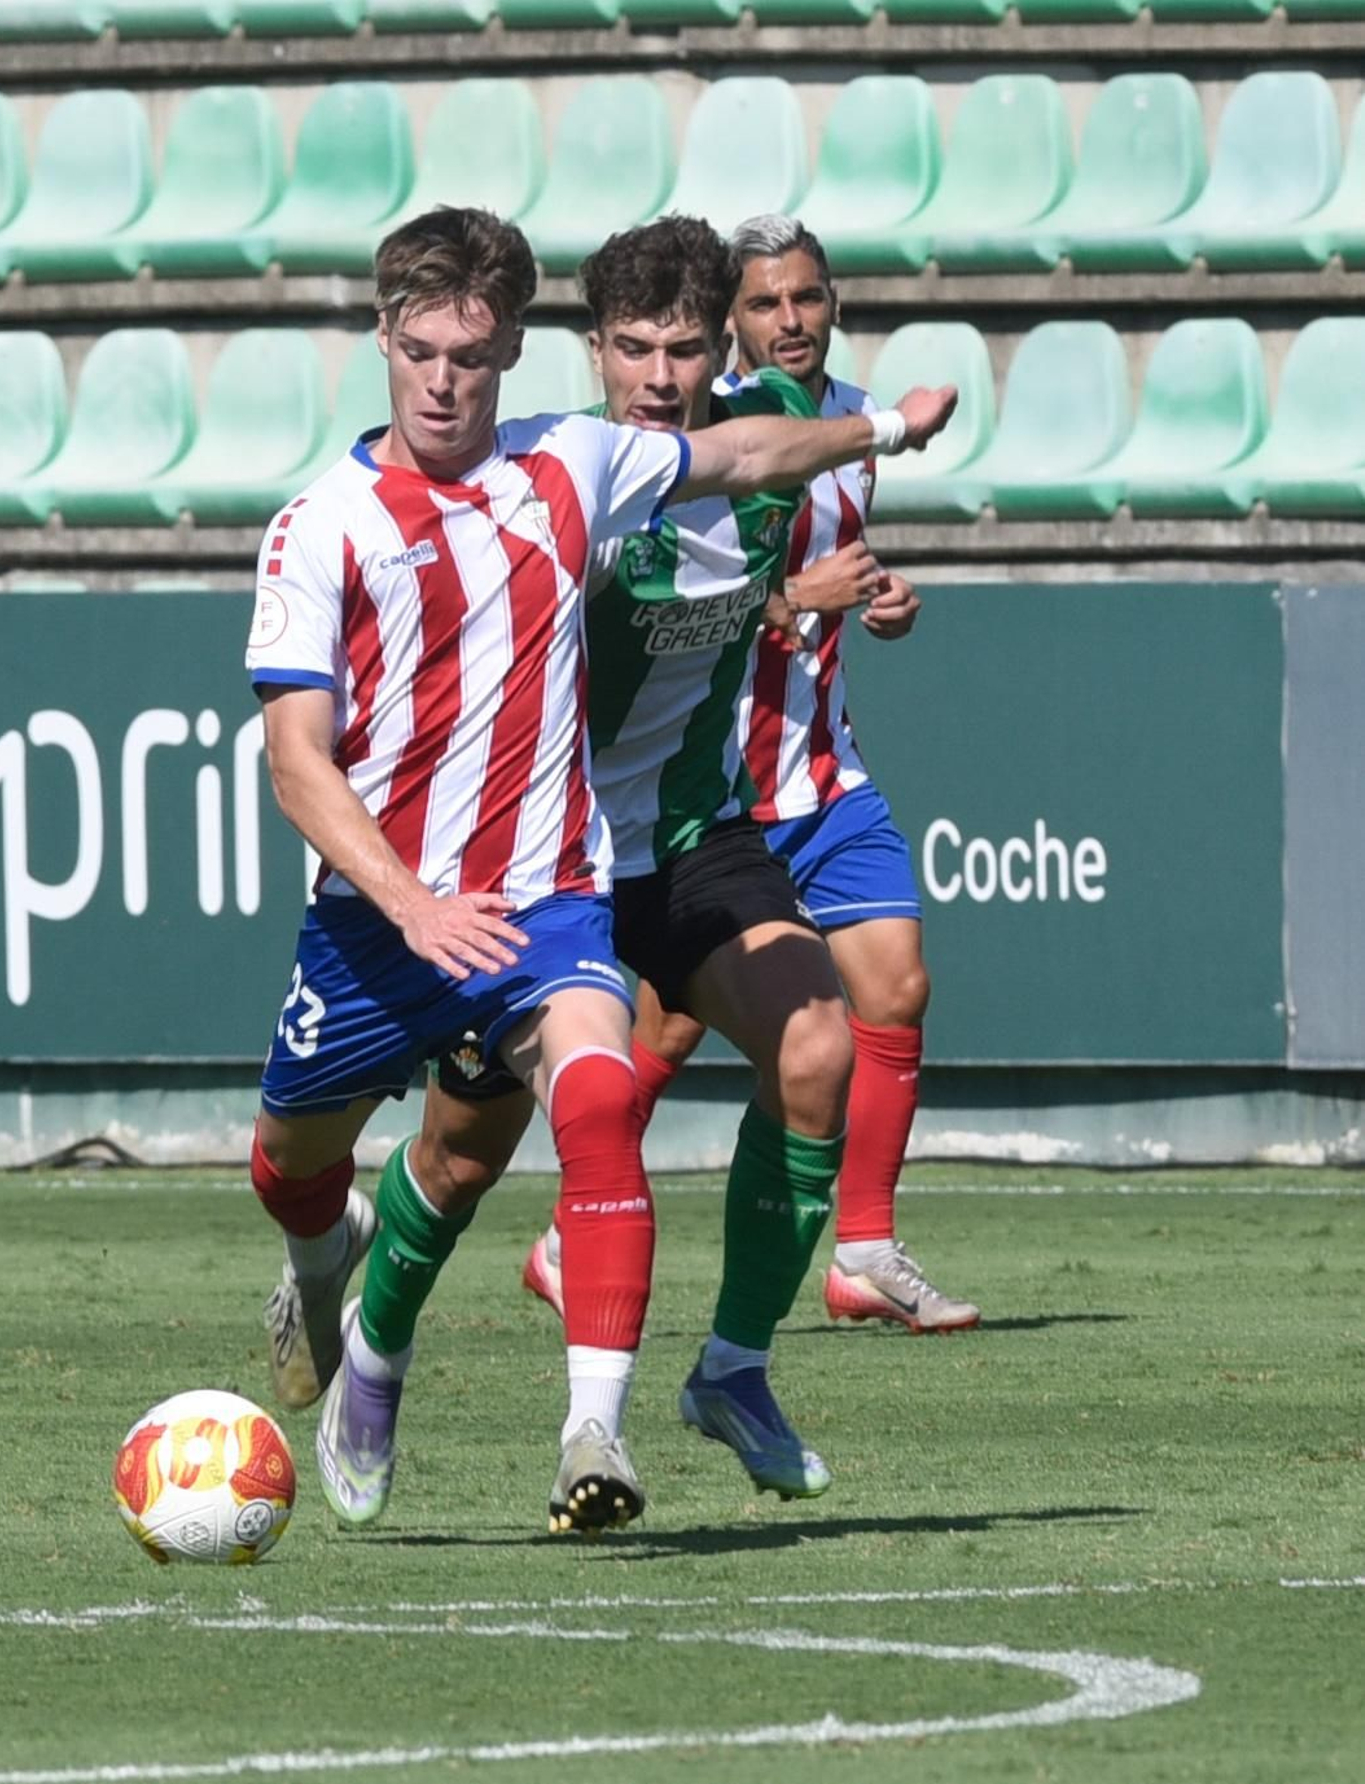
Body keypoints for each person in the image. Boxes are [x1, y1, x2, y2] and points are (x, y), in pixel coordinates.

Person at [246, 205, 957, 1537]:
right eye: (633, 348)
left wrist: (888, 454)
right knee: (450, 1167)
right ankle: (370, 1336)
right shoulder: (577, 483)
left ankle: (703, 1383)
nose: (660, 375)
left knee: (807, 1048)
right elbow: (612, 635)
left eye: (686, 348)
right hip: (514, 854)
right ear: (589, 354)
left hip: (662, 844)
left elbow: (767, 453)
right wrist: (779, 603)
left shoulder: (731, 458)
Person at [524, 214, 978, 1335]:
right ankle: (563, 1232)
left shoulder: (837, 424)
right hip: (718, 784)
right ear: (731, 316)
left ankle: (861, 1247)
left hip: (822, 766)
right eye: (766, 302)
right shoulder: (692, 439)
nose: (789, 320)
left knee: (892, 987)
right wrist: (791, 601)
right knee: (668, 1030)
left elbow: (818, 582)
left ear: (833, 305)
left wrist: (876, 604)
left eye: (807, 299)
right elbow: (709, 599)